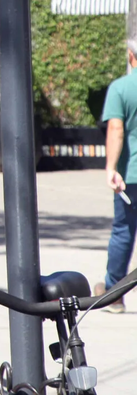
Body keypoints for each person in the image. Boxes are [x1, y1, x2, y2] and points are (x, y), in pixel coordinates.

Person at [94, 38, 137, 314]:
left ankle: (114, 293)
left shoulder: (121, 88)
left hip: (131, 176)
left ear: (132, 56)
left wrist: (111, 167)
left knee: (123, 231)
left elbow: (116, 131)